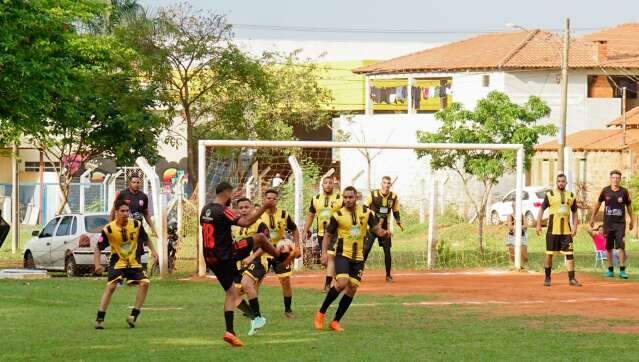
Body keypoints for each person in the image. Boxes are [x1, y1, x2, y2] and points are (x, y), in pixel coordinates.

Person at [200, 182, 285, 347]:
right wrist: (265, 207)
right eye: (231, 195)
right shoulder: (223, 210)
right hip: (225, 255)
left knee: (232, 293)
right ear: (226, 193)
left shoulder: (205, 210)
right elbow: (246, 222)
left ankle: (230, 332)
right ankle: (279, 258)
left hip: (210, 259)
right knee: (260, 238)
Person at [314, 186, 390, 332]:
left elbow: (376, 229)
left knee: (352, 288)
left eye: (351, 197)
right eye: (346, 197)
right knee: (342, 283)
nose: (348, 200)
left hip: (359, 257)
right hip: (343, 254)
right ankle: (321, 313)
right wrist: (324, 253)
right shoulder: (337, 215)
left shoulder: (367, 213)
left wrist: (384, 232)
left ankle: (335, 321)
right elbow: (328, 236)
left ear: (356, 197)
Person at [94, 199, 151, 329]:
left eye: (127, 211)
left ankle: (133, 316)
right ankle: (99, 319)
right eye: (122, 211)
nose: (125, 213)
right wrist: (97, 265)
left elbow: (146, 239)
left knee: (145, 283)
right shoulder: (109, 229)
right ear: (116, 212)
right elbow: (98, 248)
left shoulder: (136, 224)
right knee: (112, 286)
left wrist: (154, 251)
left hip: (132, 262)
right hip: (117, 262)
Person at [259, 189, 301, 318]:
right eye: (268, 198)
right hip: (263, 252)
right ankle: (253, 310)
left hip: (280, 253)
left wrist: (297, 246)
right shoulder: (258, 215)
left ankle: (288, 310)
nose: (271, 200)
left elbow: (294, 229)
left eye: (273, 198)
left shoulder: (284, 214)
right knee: (255, 280)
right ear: (264, 199)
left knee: (285, 281)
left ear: (277, 200)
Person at [232, 197, 270, 336]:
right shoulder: (238, 227)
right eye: (241, 208)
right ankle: (255, 318)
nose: (243, 210)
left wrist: (252, 257)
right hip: (241, 264)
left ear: (253, 208)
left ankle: (258, 317)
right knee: (233, 295)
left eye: (246, 207)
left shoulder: (260, 224)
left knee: (246, 284)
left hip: (258, 260)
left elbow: (267, 244)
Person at [535, 174, 581, 287]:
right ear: (556, 182)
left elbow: (575, 212)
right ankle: (547, 277)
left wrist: (575, 226)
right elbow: (541, 209)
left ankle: (572, 279)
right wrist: (538, 224)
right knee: (549, 255)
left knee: (570, 254)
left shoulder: (571, 196)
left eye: (563, 181)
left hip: (566, 231)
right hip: (552, 231)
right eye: (559, 181)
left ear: (566, 183)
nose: (561, 183)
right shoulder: (550, 195)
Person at [590, 170, 634, 279]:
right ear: (610, 179)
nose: (615, 180)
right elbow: (598, 204)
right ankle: (610, 270)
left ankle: (622, 271)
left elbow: (629, 207)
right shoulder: (605, 191)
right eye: (613, 178)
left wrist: (632, 220)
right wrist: (592, 218)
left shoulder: (624, 192)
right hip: (608, 224)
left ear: (620, 179)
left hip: (620, 224)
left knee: (621, 246)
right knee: (608, 247)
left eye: (617, 178)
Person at [302, 176, 343, 292]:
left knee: (329, 258)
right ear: (322, 185)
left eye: (330, 183)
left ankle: (327, 285)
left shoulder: (340, 199)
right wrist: (306, 230)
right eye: (326, 183)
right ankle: (341, 280)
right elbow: (310, 215)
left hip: (335, 234)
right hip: (321, 233)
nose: (328, 185)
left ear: (333, 185)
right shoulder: (315, 199)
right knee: (325, 260)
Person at [110, 174, 159, 262]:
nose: (136, 184)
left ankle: (137, 271)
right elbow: (113, 210)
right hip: (124, 229)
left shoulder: (143, 197)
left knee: (138, 253)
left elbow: (146, 213)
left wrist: (152, 227)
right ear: (129, 183)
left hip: (137, 228)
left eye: (138, 182)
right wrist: (111, 225)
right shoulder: (123, 194)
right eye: (134, 182)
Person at [364, 176, 403, 282]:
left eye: (388, 183)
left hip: (385, 229)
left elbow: (395, 211)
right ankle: (357, 274)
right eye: (384, 183)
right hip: (372, 228)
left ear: (390, 185)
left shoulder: (393, 197)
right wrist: (373, 216)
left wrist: (398, 220)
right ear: (381, 184)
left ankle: (388, 275)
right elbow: (364, 207)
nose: (386, 185)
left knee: (387, 251)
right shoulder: (373, 194)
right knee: (366, 250)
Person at [506, 201, 528, 269]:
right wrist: (515, 227)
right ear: (513, 207)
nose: (516, 207)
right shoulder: (510, 216)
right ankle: (513, 267)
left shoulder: (522, 215)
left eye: (517, 206)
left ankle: (523, 267)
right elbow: (510, 227)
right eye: (514, 206)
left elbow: (526, 226)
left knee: (524, 256)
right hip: (512, 237)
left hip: (522, 236)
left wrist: (518, 227)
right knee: (512, 255)